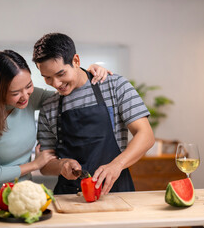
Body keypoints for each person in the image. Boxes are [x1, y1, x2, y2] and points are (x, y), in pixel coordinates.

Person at [33, 33, 155, 195]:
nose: (56, 84)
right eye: (47, 77)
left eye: (61, 74)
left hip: (115, 191)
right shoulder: (49, 106)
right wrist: (62, 165)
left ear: (76, 61)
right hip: (69, 196)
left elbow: (146, 136)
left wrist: (116, 165)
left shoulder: (115, 86)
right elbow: (46, 165)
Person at [0, 49, 111, 187]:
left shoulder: (31, 98)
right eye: (15, 93)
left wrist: (85, 73)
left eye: (29, 86)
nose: (25, 96)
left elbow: (67, 94)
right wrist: (35, 165)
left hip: (25, 191)